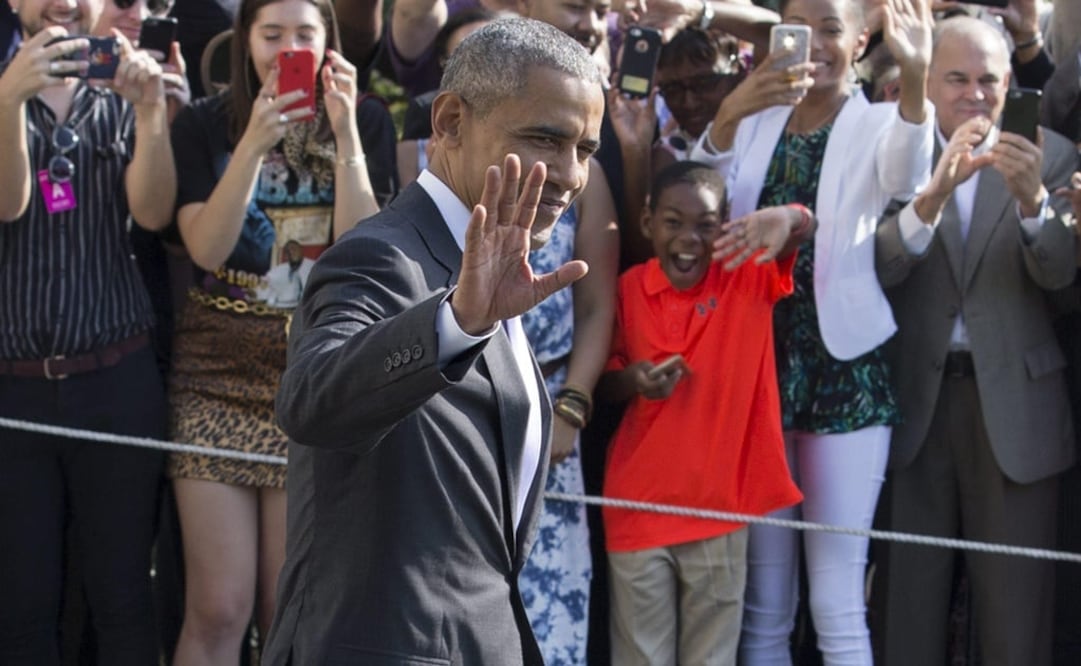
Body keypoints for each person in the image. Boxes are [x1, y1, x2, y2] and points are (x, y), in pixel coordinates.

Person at [262, 18, 606, 666]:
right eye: (544, 139)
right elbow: (309, 400)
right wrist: (455, 324)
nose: (569, 175)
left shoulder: (485, 266)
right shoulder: (380, 256)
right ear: (448, 122)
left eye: (585, 150)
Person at [688, 0, 933, 662]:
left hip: (842, 375)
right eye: (800, 28)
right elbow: (694, 198)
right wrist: (731, 109)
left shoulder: (879, 121)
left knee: (835, 604)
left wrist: (914, 77)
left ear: (858, 42)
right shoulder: (757, 115)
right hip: (754, 372)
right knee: (763, 606)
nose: (815, 43)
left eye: (832, 28)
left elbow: (908, 176)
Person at [165, 0, 393, 663]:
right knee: (218, 606)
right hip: (215, 373)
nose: (286, 48)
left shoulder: (368, 118)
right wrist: (253, 143)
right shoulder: (206, 124)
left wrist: (347, 135)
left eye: (304, 35)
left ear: (329, 43)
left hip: (315, 370)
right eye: (271, 35)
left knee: (286, 605)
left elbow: (363, 249)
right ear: (245, 41)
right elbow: (206, 248)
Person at [874, 15, 1078, 666]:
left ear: (1009, 81)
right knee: (909, 608)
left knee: (1015, 618)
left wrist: (1030, 207)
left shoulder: (1056, 156)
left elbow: (1062, 282)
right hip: (917, 404)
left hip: (1016, 411)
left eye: (988, 79)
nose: (974, 94)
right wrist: (928, 198)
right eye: (956, 78)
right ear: (927, 82)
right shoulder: (894, 153)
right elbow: (875, 270)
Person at [0, 0, 176, 662]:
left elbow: (154, 213)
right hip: (14, 394)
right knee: (22, 603)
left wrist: (152, 111)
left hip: (116, 380)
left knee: (123, 596)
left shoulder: (120, 96)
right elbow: (8, 201)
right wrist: (8, 100)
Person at [596, 161, 809, 665]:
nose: (689, 238)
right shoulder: (628, 287)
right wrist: (636, 380)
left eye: (705, 225)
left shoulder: (747, 276)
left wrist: (790, 216)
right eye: (673, 222)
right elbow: (605, 382)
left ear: (726, 225)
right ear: (648, 223)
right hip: (636, 508)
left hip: (717, 510)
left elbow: (804, 226)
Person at [517, 155, 618, 665]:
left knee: (551, 614)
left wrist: (572, 405)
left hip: (553, 405)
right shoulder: (451, 150)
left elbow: (598, 306)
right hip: (460, 404)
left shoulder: (586, 172)